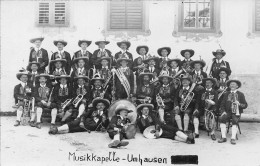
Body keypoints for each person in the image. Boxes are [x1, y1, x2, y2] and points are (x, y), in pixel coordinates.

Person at [218, 79, 247, 145]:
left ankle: (233, 138)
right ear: (229, 86)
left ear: (237, 86)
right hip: (227, 112)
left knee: (234, 120)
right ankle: (223, 137)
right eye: (231, 84)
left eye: (234, 84)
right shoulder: (226, 94)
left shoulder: (241, 94)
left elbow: (245, 105)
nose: (232, 85)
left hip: (236, 112)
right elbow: (222, 104)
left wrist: (239, 104)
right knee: (222, 118)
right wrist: (223, 111)